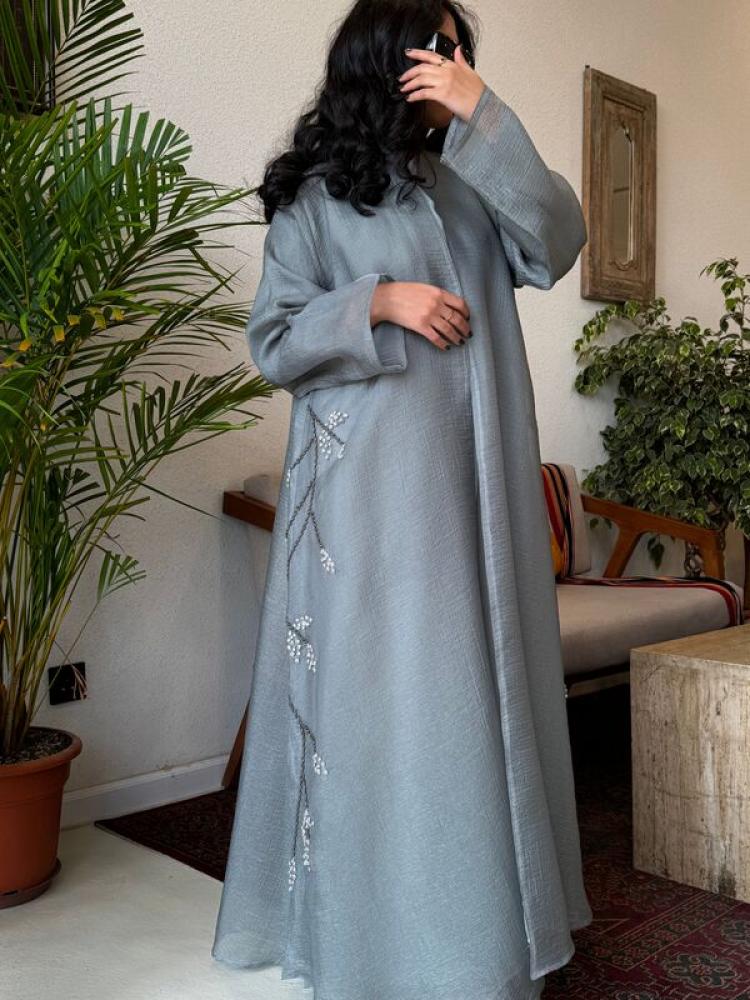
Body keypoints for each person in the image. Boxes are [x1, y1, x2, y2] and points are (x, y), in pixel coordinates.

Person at [212, 1, 593, 997]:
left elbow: (558, 242)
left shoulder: (476, 177)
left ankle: (479, 946)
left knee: (475, 704)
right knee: (388, 709)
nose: (454, 62)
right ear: (386, 58)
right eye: (439, 47)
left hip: (480, 497)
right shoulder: (314, 197)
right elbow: (275, 341)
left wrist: (485, 114)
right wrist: (378, 301)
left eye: (463, 51)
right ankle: (372, 942)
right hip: (368, 503)